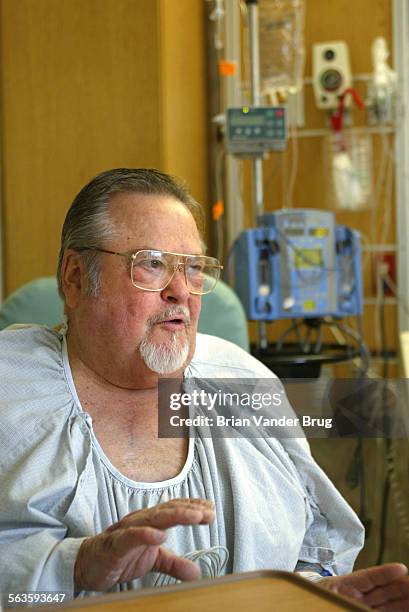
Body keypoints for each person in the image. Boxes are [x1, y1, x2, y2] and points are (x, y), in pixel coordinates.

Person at [0, 168, 408, 609]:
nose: (181, 291)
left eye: (193, 268)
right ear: (77, 277)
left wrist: (308, 592)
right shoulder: (13, 391)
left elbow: (314, 542)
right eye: (152, 264)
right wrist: (74, 569)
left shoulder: (238, 380)